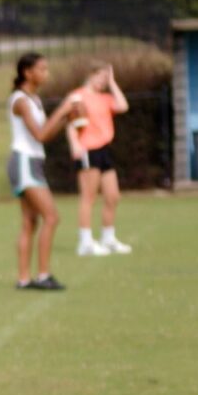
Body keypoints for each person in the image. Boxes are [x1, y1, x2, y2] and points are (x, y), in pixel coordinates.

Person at [6, 53, 77, 290]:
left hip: (32, 161)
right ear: (28, 72)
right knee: (51, 217)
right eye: (42, 69)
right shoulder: (21, 101)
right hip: (24, 162)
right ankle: (43, 275)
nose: (46, 74)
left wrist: (66, 119)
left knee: (29, 222)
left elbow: (44, 135)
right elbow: (40, 135)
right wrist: (63, 109)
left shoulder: (34, 100)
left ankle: (24, 280)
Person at [66, 62, 132, 256]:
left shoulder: (104, 98)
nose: (104, 81)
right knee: (89, 197)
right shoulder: (78, 96)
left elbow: (122, 106)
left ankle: (108, 238)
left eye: (106, 78)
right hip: (88, 149)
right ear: (91, 75)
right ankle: (85, 242)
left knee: (113, 196)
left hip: (104, 149)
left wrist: (112, 83)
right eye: (102, 77)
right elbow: (71, 122)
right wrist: (75, 144)